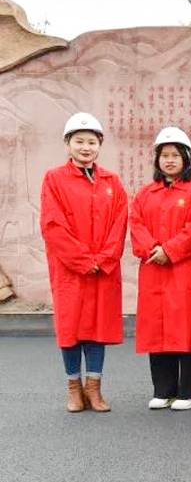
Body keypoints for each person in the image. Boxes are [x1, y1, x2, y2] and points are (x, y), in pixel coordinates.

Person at [40, 112, 128, 413]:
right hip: (69, 270)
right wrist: (82, 260)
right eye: (79, 141)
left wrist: (103, 259)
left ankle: (94, 388)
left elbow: (119, 223)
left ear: (99, 145)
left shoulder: (111, 181)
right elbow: (52, 225)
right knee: (70, 327)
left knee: (97, 327)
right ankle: (74, 388)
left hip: (103, 269)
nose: (86, 147)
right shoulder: (54, 179)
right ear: (68, 143)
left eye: (92, 141)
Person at [129, 127, 191, 411]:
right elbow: (135, 224)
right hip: (153, 270)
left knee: (185, 329)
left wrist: (170, 250)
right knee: (157, 328)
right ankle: (163, 389)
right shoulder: (145, 194)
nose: (170, 160)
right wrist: (153, 249)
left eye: (176, 155)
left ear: (186, 159)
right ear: (157, 160)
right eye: (165, 155)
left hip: (185, 270)